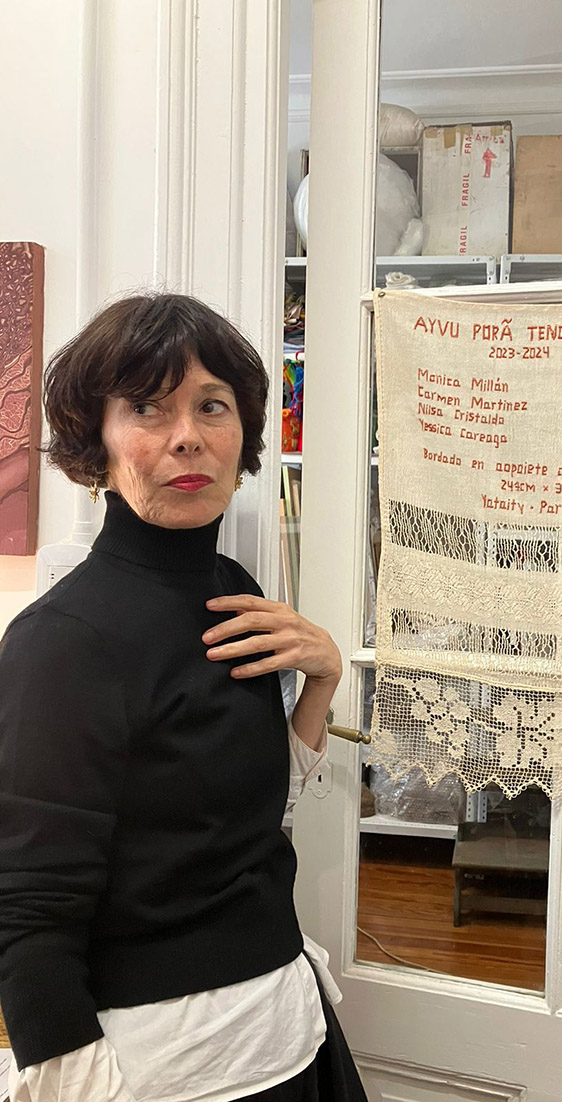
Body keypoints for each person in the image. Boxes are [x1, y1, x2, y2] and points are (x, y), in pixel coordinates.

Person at [0, 293, 368, 1102]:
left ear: (243, 434)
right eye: (146, 408)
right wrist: (74, 1082)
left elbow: (248, 813)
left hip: (288, 1018)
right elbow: (27, 907)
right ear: (95, 440)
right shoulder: (62, 641)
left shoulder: (231, 588)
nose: (187, 436)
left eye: (211, 405)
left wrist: (322, 680)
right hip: (171, 1064)